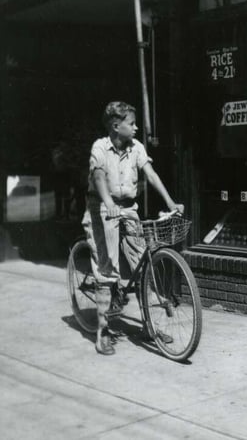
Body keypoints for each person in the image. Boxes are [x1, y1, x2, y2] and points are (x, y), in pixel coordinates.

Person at [82, 101, 184, 355]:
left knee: (142, 265)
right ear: (116, 126)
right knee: (107, 270)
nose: (136, 128)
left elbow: (150, 174)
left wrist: (171, 202)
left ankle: (149, 327)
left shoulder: (136, 147)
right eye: (132, 123)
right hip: (102, 208)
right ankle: (102, 332)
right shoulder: (100, 147)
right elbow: (98, 177)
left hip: (128, 208)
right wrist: (108, 203)